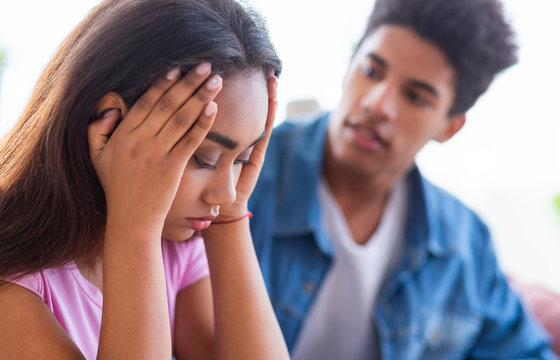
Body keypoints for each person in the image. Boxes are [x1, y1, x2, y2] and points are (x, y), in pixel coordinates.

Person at [249, 0, 558, 358]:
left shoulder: (462, 243)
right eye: (371, 70)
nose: (378, 104)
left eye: (414, 96)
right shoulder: (241, 173)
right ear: (349, 63)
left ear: (449, 127)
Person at [0, 0, 290, 359]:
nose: (226, 192)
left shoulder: (175, 247)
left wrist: (231, 220)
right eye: (205, 158)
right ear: (111, 122)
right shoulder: (13, 294)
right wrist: (134, 227)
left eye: (242, 159)